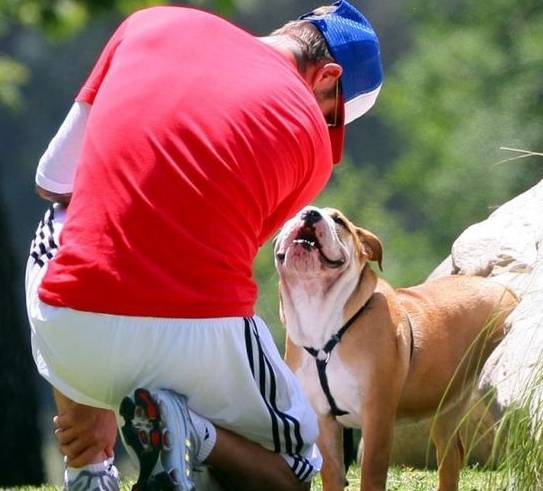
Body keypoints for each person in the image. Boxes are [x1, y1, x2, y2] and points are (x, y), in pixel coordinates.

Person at [25, 1, 383, 490]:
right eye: (331, 118)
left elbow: (53, 178)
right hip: (199, 336)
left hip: (74, 327)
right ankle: (191, 431)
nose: (324, 131)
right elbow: (209, 246)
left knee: (64, 218)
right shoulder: (314, 152)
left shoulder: (151, 22)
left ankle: (88, 468)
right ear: (327, 77)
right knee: (297, 471)